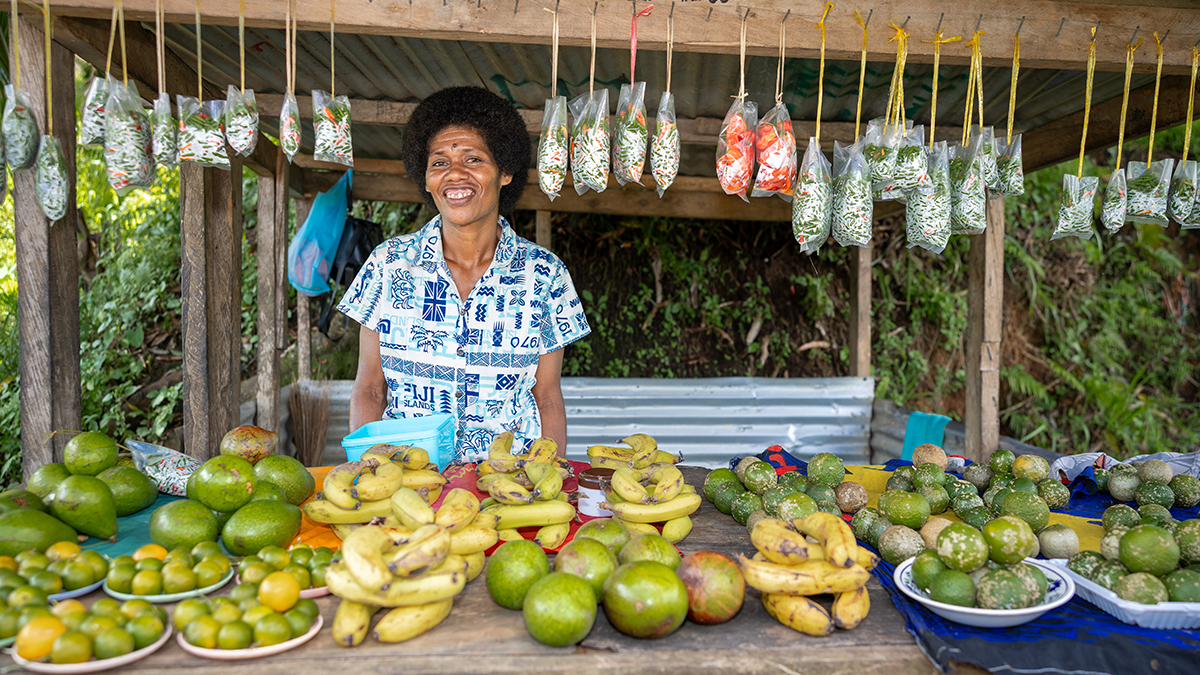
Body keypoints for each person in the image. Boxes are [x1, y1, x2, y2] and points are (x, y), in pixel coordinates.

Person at [337, 87, 590, 463]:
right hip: (408, 482)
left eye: (473, 159)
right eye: (439, 162)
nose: (455, 173)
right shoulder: (388, 265)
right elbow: (371, 389)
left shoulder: (545, 275)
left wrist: (548, 477)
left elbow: (548, 396)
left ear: (505, 172)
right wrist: (368, 472)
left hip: (507, 485)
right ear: (424, 178)